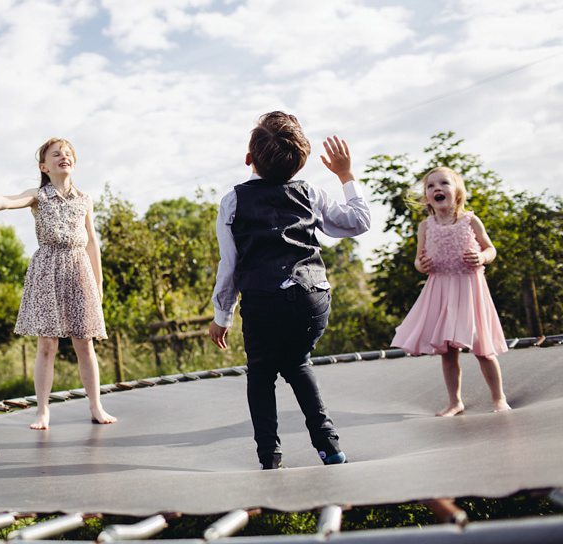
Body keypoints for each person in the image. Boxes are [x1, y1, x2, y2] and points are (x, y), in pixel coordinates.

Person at [208, 111, 371, 470]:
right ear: (299, 164)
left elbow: (230, 265)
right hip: (312, 298)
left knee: (262, 374)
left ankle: (270, 456)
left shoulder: (233, 202)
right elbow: (358, 222)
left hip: (264, 301)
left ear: (249, 158)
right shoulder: (309, 192)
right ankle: (329, 446)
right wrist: (345, 175)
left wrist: (222, 315)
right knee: (297, 363)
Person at [0, 137, 116, 430]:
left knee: (84, 343)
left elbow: (92, 244)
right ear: (44, 166)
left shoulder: (85, 200)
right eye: (56, 154)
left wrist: (98, 284)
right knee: (47, 344)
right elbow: (4, 201)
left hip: (79, 270)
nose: (63, 157)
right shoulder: (39, 196)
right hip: (47, 269)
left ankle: (96, 406)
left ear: (73, 162)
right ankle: (42, 411)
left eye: (68, 154)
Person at [391, 167, 510, 416]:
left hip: (469, 287)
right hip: (441, 288)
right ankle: (455, 401)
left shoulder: (470, 220)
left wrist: (481, 256)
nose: (437, 188)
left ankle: (499, 398)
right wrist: (420, 265)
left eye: (444, 183)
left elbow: (491, 249)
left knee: (483, 349)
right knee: (447, 351)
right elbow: (418, 261)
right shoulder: (426, 226)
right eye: (431, 186)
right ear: (426, 197)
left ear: (457, 192)